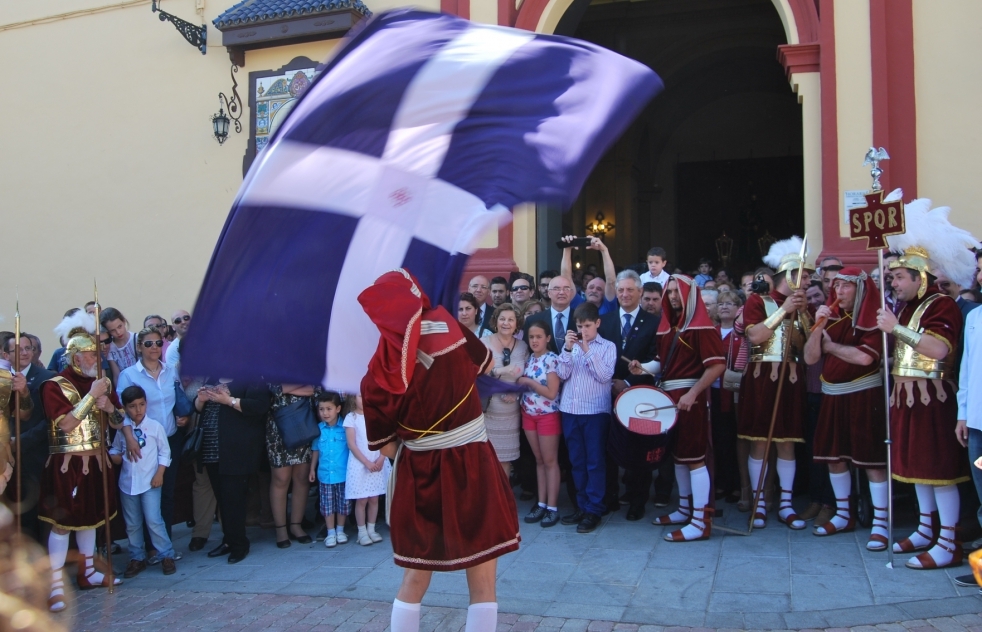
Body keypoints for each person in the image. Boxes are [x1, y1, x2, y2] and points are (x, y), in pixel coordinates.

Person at [359, 269, 519, 632]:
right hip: (473, 461)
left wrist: (421, 442)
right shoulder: (449, 325)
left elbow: (385, 445)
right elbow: (487, 363)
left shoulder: (376, 374)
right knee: (483, 579)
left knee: (415, 576)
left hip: (421, 473)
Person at [876, 197, 977, 569]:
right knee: (917, 469)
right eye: (893, 276)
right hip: (907, 397)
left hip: (933, 398)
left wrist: (895, 328)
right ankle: (924, 529)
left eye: (900, 276)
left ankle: (948, 542)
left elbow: (938, 349)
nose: (894, 281)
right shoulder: (906, 306)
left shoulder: (940, 305)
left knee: (938, 471)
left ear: (921, 276)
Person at [40, 312, 124, 611]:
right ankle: (55, 586)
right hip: (68, 465)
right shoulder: (54, 385)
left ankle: (88, 572)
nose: (97, 359)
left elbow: (116, 422)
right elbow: (65, 425)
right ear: (76, 357)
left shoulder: (101, 383)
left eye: (98, 353)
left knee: (91, 518)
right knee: (64, 523)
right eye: (90, 354)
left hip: (97, 460)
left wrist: (110, 404)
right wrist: (92, 397)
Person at [632, 275, 725, 541]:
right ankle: (685, 509)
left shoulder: (701, 328)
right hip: (670, 397)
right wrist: (644, 368)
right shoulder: (668, 328)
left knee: (694, 459)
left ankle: (700, 520)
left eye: (677, 292)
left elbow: (717, 365)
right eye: (669, 292)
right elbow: (663, 363)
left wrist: (694, 392)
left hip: (689, 399)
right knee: (679, 457)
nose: (672, 296)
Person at [804, 267, 889, 550]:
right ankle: (843, 514)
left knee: (871, 460)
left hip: (864, 394)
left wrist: (833, 347)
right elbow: (811, 356)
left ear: (860, 289)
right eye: (836, 286)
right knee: (834, 457)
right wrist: (818, 327)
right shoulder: (829, 317)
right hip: (833, 394)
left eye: (845, 286)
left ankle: (881, 522)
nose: (839, 291)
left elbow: (865, 358)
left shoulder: (873, 318)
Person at [738, 237, 812, 530]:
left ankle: (785, 504)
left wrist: (804, 313)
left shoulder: (804, 305)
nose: (807, 281)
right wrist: (785, 310)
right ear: (789, 277)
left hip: (791, 379)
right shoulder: (759, 301)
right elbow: (754, 336)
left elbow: (808, 350)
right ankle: (758, 503)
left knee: (788, 443)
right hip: (761, 380)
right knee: (760, 441)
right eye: (803, 276)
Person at [117, 326, 186, 555]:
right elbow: (121, 410)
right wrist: (128, 438)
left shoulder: (170, 371)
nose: (154, 347)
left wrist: (181, 415)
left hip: (169, 438)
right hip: (142, 443)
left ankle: (162, 546)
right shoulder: (129, 375)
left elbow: (175, 399)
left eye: (158, 343)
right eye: (148, 344)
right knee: (143, 495)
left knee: (166, 492)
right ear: (139, 347)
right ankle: (147, 548)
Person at [599, 270, 659, 521]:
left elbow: (657, 358)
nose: (624, 294)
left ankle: (637, 500)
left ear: (640, 292)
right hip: (607, 392)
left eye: (630, 290)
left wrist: (629, 380)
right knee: (607, 446)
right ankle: (610, 496)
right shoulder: (605, 319)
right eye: (621, 290)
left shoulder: (654, 322)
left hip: (638, 393)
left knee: (638, 447)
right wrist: (611, 382)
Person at [193, 379, 270, 564]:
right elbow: (196, 408)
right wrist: (201, 399)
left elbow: (260, 406)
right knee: (222, 498)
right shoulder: (212, 377)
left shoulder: (251, 376)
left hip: (236, 450)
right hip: (211, 450)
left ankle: (239, 544)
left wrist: (229, 401)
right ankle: (229, 540)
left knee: (234, 499)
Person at [555, 302, 616, 533]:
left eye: (588, 326)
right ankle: (581, 506)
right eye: (580, 326)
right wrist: (569, 350)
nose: (583, 331)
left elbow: (604, 376)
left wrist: (588, 349)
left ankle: (594, 509)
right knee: (577, 461)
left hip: (595, 413)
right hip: (570, 410)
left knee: (595, 462)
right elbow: (561, 374)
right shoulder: (571, 346)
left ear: (597, 324)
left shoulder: (607, 347)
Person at [109, 385, 177, 578]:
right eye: (132, 406)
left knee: (154, 519)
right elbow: (115, 450)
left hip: (150, 482)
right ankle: (136, 557)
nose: (138, 410)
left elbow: (165, 452)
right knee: (132, 523)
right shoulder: (123, 429)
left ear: (146, 404)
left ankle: (166, 554)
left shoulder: (155, 427)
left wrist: (160, 474)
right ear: (125, 407)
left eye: (141, 404)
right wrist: (116, 456)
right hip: (128, 483)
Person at [1, 332, 55, 541]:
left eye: (28, 348)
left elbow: (49, 421)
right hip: (6, 458)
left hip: (35, 456)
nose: (24, 353)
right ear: (6, 354)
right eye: (18, 349)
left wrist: (20, 442)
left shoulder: (47, 378)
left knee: (37, 513)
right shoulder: (2, 378)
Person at [516, 320, 562, 528]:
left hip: (547, 415)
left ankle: (552, 507)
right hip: (528, 414)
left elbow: (552, 393)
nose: (534, 341)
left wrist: (530, 383)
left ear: (548, 338)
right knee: (539, 460)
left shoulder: (551, 359)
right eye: (531, 337)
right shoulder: (528, 359)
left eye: (539, 337)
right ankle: (541, 503)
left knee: (550, 461)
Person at [955, 251, 982, 587]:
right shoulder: (974, 317)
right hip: (976, 422)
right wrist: (963, 413)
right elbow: (966, 369)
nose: (979, 277)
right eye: (978, 270)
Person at [481, 304, 529, 478]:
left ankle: (503, 501)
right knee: (486, 458)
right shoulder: (484, 343)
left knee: (505, 461)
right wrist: (499, 371)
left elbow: (528, 377)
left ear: (517, 323)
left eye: (510, 319)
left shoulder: (523, 346)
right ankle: (488, 501)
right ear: (495, 321)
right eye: (502, 319)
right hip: (489, 409)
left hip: (511, 412)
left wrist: (516, 393)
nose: (506, 323)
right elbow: (476, 374)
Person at [267, 384, 316, 548]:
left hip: (303, 420)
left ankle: (296, 525)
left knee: (302, 477)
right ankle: (280, 529)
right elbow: (273, 388)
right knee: (281, 478)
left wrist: (287, 388)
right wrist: (299, 387)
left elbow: (315, 389)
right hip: (278, 423)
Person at [344, 393, 390, 546]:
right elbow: (352, 444)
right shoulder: (351, 418)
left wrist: (382, 458)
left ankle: (372, 528)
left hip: (378, 460)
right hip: (361, 463)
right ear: (353, 398)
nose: (364, 399)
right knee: (362, 499)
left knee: (374, 498)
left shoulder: (377, 415)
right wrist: (366, 463)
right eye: (359, 396)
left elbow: (387, 438)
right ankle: (362, 531)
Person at [711, 291, 742, 504]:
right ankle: (721, 482)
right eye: (721, 303)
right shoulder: (710, 332)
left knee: (733, 440)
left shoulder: (742, 334)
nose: (724, 307)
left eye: (730, 303)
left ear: (739, 309)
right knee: (717, 439)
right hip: (711, 391)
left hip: (734, 394)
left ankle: (737, 485)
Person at [310, 391, 349, 548]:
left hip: (343, 473)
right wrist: (312, 469)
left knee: (343, 504)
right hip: (325, 474)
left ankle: (340, 530)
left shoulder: (345, 427)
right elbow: (315, 450)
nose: (325, 413)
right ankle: (330, 532)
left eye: (328, 409)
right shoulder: (318, 429)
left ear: (338, 409)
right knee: (327, 505)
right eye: (321, 409)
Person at [561, 236, 617, 314]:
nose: (594, 290)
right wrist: (567, 248)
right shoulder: (579, 304)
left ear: (605, 294)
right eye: (591, 287)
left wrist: (604, 250)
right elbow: (566, 280)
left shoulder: (608, 306)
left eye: (599, 289)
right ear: (586, 291)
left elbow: (611, 281)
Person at [101, 307, 137, 386]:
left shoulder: (137, 339)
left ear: (124, 321)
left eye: (119, 326)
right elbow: (117, 376)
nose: (118, 332)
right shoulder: (111, 347)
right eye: (112, 330)